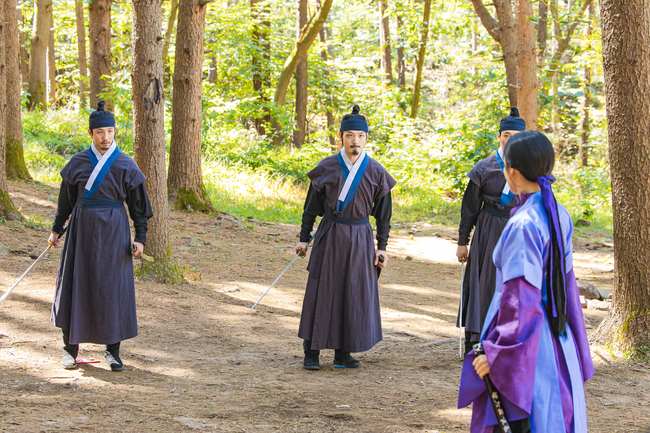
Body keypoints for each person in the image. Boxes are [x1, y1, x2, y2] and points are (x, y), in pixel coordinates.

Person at [458, 131, 594, 432]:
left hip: (530, 349)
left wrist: (498, 355)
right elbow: (568, 290)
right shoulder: (559, 214)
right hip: (559, 342)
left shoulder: (524, 224)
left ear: (513, 171)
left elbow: (521, 300)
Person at [48, 101, 153, 371]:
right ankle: (69, 350)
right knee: (76, 284)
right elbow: (65, 202)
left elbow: (139, 207)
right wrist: (56, 229)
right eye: (99, 132)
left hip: (114, 233)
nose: (105, 137)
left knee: (112, 288)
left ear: (114, 131)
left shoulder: (126, 165)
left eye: (109, 131)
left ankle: (113, 352)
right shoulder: (78, 162)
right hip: (81, 233)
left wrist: (140, 237)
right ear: (90, 133)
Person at [295, 105, 396, 370]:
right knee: (322, 290)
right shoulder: (326, 167)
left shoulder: (376, 172)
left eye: (360, 136)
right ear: (341, 136)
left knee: (354, 291)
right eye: (350, 135)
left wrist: (381, 247)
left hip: (361, 238)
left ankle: (343, 352)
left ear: (366, 138)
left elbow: (384, 216)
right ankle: (312, 352)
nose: (355, 141)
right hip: (331, 234)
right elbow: (310, 209)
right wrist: (304, 239)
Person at [456, 107, 526, 355]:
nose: (510, 140)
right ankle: (474, 339)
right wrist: (462, 241)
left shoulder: (530, 169)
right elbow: (469, 209)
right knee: (482, 281)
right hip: (487, 229)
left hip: (517, 231)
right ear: (498, 137)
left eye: (515, 136)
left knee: (513, 282)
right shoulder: (483, 168)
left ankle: (508, 339)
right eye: (506, 135)